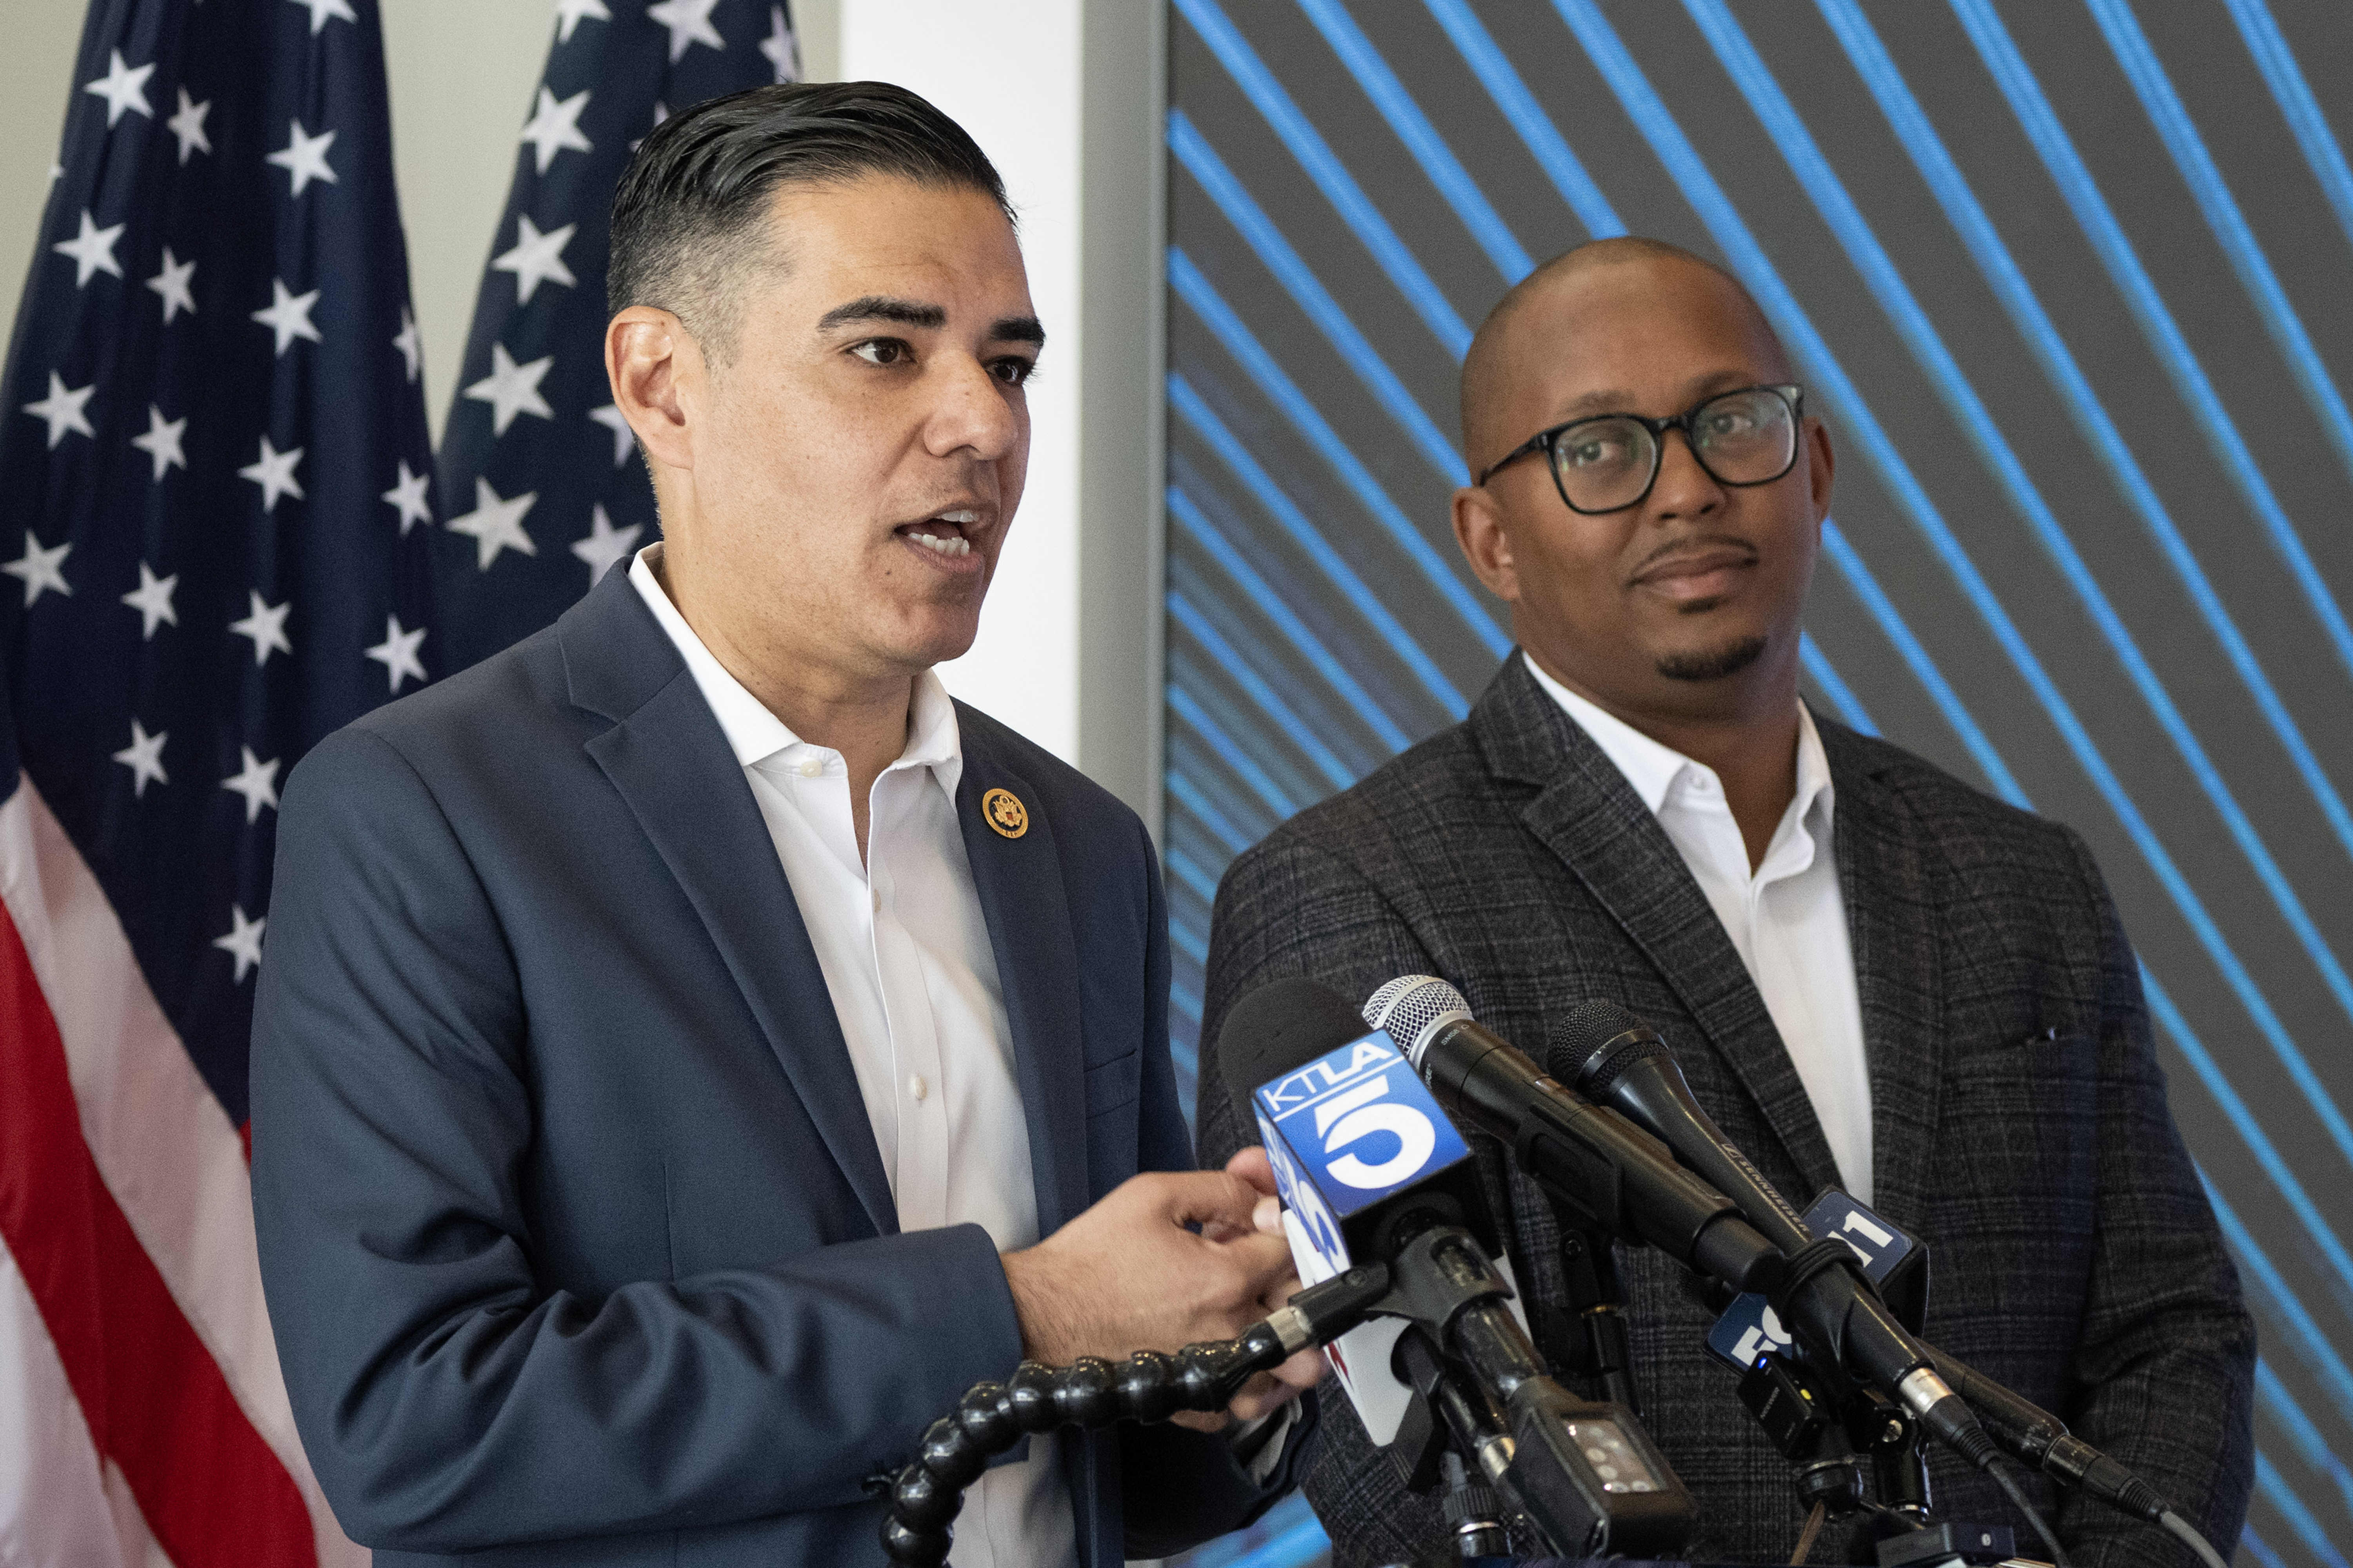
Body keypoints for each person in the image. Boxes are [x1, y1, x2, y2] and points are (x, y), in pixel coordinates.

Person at [251, 83, 1316, 1568]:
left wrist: (1229, 1368)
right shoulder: (424, 810)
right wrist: (1028, 1311)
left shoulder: (1080, 845)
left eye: (1010, 365)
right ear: (663, 385)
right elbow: (419, 1422)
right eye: (886, 351)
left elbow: (1110, 1467)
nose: (983, 423)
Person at [1196, 236, 2254, 1565]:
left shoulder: (2022, 880)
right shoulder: (1347, 893)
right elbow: (1393, 1437)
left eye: (1732, 423)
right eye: (1598, 450)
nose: (1688, 488)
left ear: (1817, 471)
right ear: (1490, 539)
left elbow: (2169, 1331)